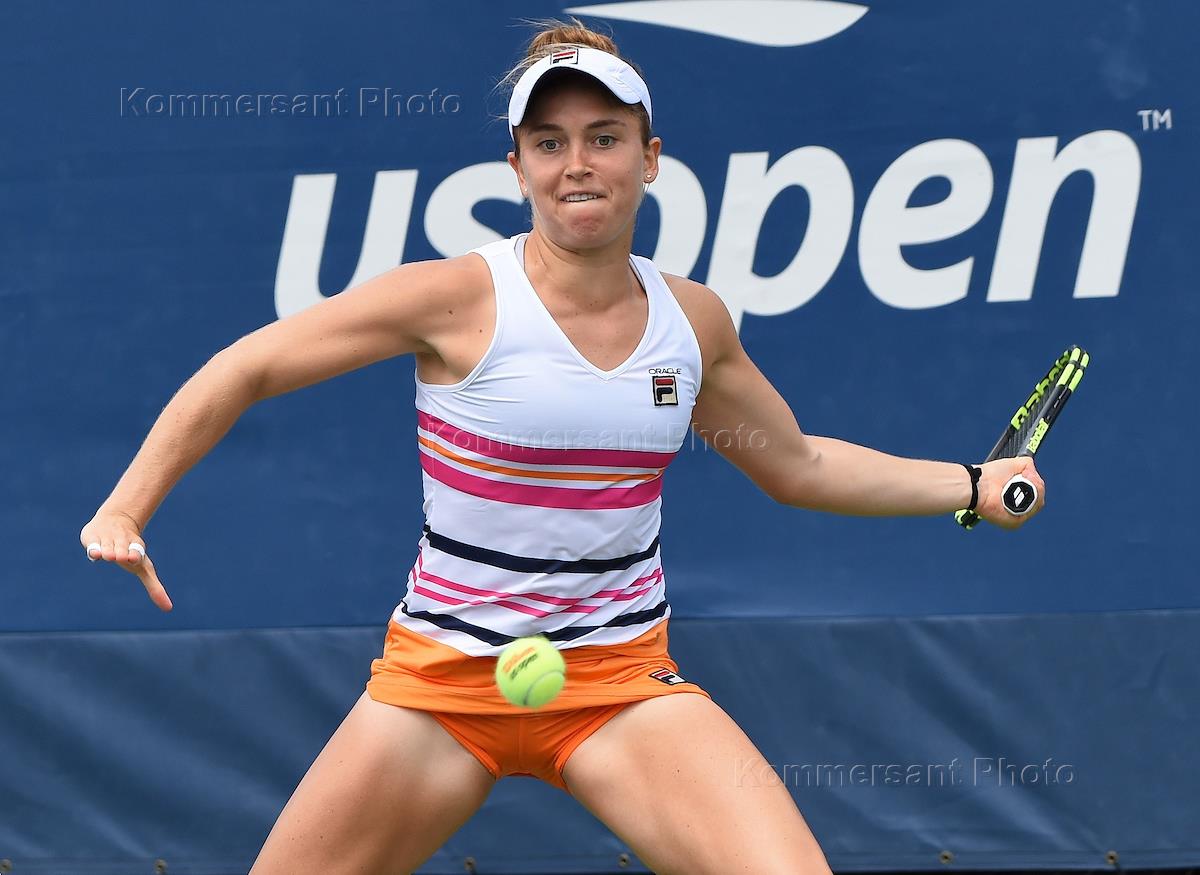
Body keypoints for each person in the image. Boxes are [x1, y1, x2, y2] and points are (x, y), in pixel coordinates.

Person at [79, 19, 1044, 875]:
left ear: (650, 158)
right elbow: (245, 367)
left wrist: (970, 484)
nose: (576, 163)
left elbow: (799, 465)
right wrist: (127, 504)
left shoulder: (692, 323)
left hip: (618, 681)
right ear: (518, 168)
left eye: (603, 138)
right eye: (549, 142)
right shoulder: (450, 299)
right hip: (441, 682)